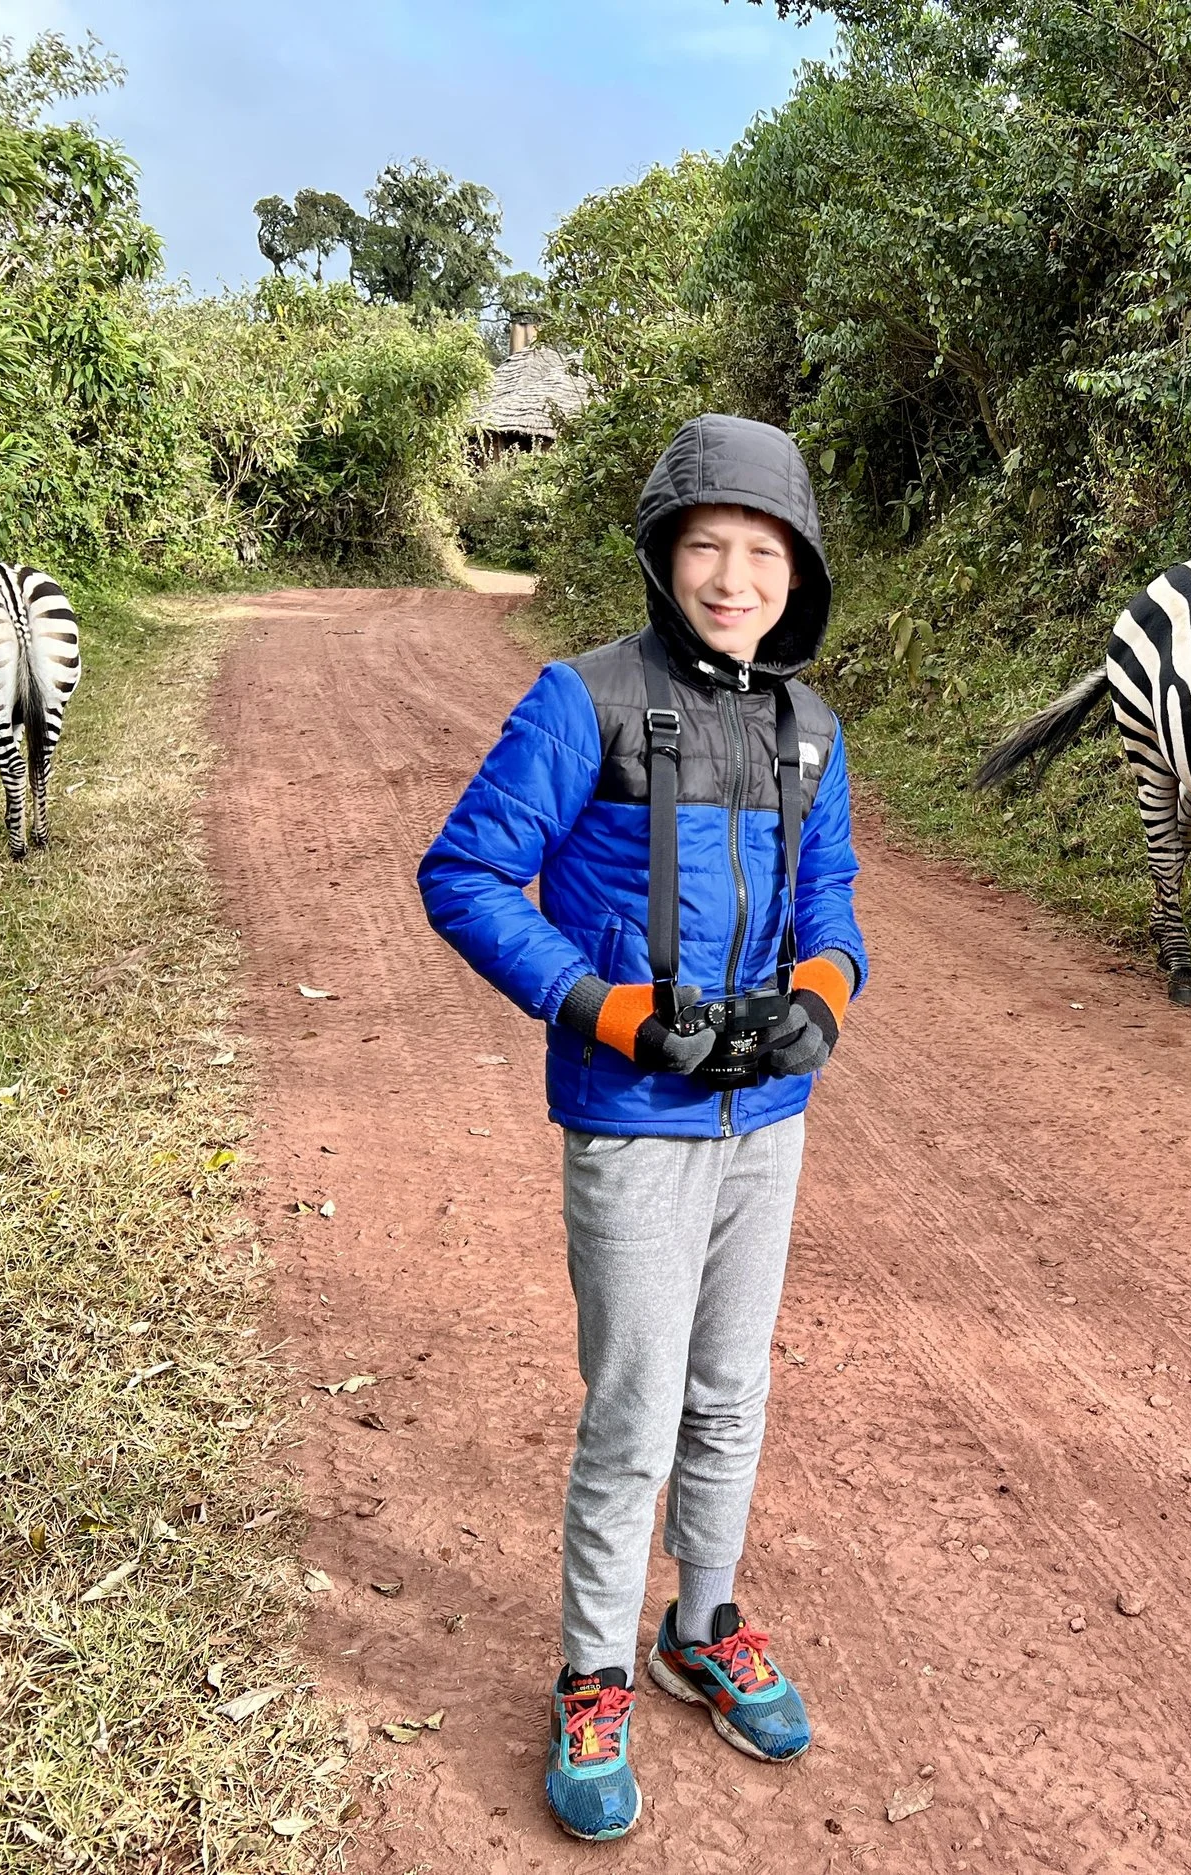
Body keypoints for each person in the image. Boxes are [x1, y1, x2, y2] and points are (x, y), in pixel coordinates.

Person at [419, 414, 866, 1842]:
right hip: (632, 1112)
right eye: (707, 549)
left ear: (797, 571)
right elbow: (468, 873)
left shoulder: (812, 727)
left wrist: (822, 998)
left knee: (730, 1389)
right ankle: (593, 1671)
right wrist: (601, 1008)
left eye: (762, 552)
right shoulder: (586, 698)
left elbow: (836, 902)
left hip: (767, 1116)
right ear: (668, 557)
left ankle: (703, 1618)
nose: (734, 577)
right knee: (633, 1408)